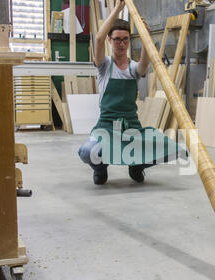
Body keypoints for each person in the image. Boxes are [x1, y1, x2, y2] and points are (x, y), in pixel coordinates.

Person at [78, 0, 186, 185]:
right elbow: (97, 39)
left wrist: (145, 36)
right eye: (117, 39)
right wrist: (119, 9)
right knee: (88, 151)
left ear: (129, 41)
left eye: (125, 39)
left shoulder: (134, 68)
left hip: (131, 129)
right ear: (110, 40)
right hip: (107, 128)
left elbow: (145, 64)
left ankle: (137, 166)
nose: (121, 44)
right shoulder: (104, 66)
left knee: (173, 149)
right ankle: (100, 168)